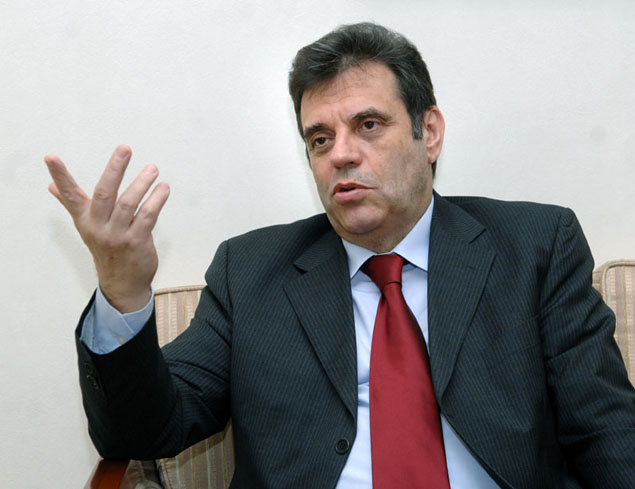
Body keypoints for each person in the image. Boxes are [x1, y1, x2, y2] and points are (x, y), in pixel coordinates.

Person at [45, 22, 635, 489]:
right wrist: (122, 290)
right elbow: (144, 432)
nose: (341, 155)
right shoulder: (250, 271)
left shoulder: (535, 245)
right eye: (320, 138)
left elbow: (607, 430)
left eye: (369, 124)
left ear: (429, 132)